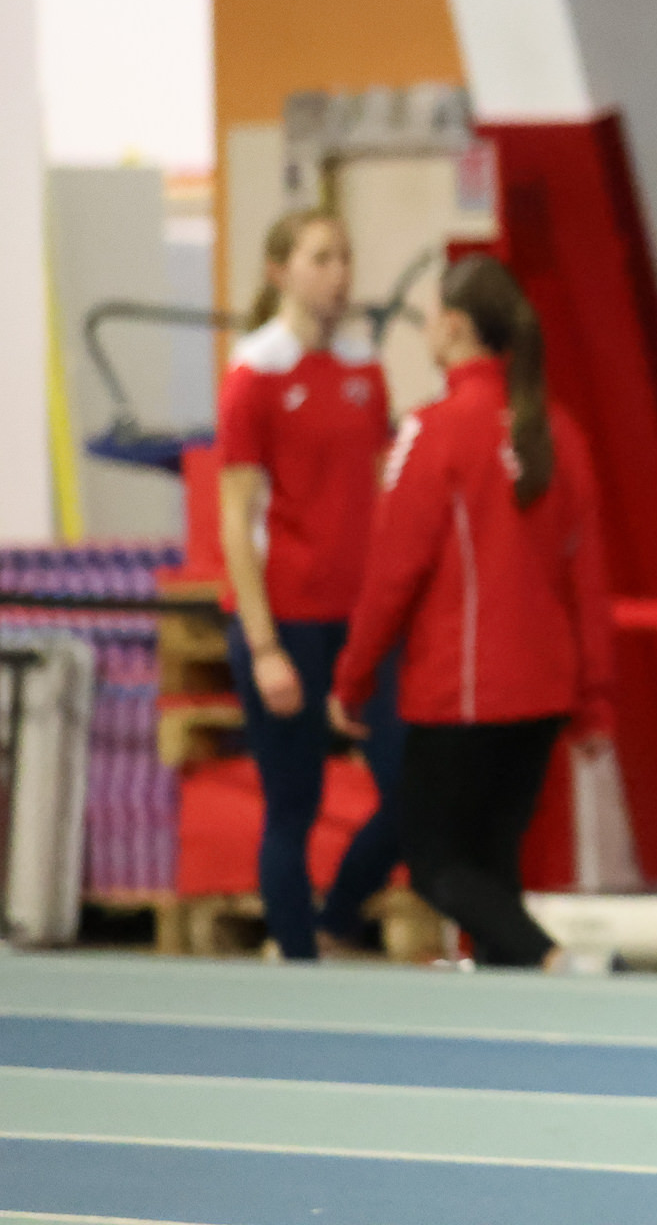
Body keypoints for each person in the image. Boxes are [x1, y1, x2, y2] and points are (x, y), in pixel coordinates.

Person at [331, 257, 614, 971]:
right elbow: (587, 576)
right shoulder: (558, 432)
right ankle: (516, 1000)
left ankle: (555, 961)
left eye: (432, 316)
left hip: (462, 692)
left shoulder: (434, 432)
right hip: (541, 692)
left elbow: (393, 574)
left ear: (454, 328)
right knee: (493, 866)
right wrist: (593, 699)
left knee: (436, 863)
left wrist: (353, 677)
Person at [214, 208, 403, 960]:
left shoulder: (365, 368)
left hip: (360, 621)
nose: (339, 274)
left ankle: (338, 916)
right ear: (280, 271)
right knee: (294, 803)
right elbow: (235, 519)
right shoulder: (254, 373)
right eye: (321, 258)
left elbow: (382, 492)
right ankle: (296, 964)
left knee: (408, 789)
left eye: (345, 257)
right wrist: (264, 647)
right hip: (287, 618)